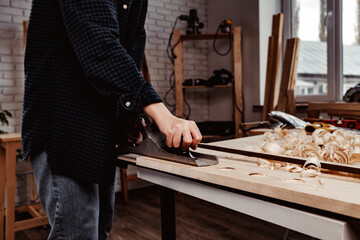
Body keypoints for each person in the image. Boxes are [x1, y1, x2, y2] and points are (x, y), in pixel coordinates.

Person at [22, 1, 202, 239]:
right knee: (78, 232)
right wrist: (163, 115)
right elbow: (100, 45)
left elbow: (131, 47)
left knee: (100, 227)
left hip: (99, 123)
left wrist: (127, 114)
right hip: (63, 122)